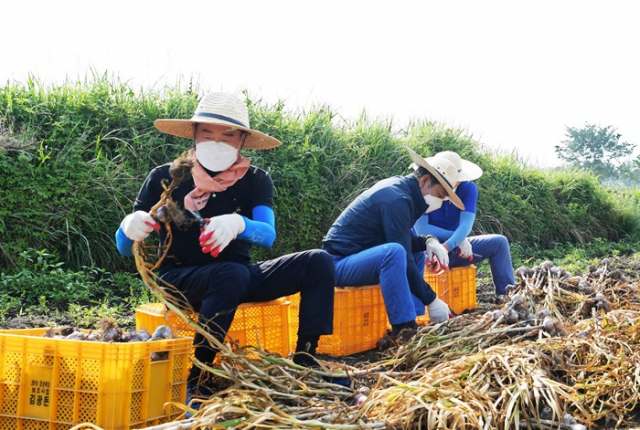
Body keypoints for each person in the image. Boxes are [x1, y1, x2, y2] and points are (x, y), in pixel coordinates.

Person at [114, 92, 338, 397]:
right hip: (179, 280)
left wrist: (239, 224)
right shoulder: (166, 178)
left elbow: (268, 235)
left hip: (239, 275)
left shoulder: (256, 180)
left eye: (227, 136)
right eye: (208, 134)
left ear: (242, 140)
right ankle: (200, 376)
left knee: (318, 261)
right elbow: (124, 247)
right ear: (194, 134)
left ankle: (306, 360)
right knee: (230, 274)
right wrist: (128, 228)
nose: (217, 142)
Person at [322, 147, 463, 338]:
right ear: (425, 180)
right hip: (337, 264)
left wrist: (429, 241)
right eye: (440, 195)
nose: (440, 202)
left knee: (415, 253)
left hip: (358, 259)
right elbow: (400, 249)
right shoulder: (397, 199)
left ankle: (415, 316)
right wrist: (432, 300)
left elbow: (404, 239)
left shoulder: (404, 192)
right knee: (394, 253)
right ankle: (404, 327)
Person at [412, 151, 515, 300]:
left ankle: (506, 297)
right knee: (417, 256)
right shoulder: (424, 188)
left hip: (455, 248)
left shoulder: (468, 188)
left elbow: (466, 225)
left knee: (499, 243)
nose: (457, 182)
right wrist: (459, 240)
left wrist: (450, 245)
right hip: (427, 249)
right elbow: (422, 229)